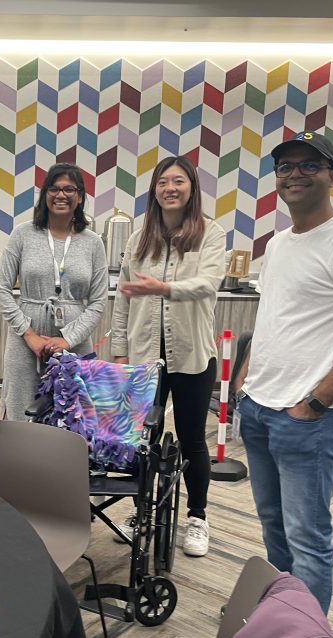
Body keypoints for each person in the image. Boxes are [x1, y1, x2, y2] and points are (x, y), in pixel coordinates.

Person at [234, 131, 333, 613]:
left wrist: (313, 404)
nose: (295, 174)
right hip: (259, 409)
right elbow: (275, 320)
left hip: (308, 419)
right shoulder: (278, 244)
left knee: (308, 538)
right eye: (285, 166)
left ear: (332, 175)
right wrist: (245, 381)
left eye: (309, 165)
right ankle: (281, 615)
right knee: (274, 527)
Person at [109, 156, 225, 557]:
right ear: (154, 190)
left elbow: (209, 282)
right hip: (144, 358)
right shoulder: (138, 237)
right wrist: (120, 351)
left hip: (193, 356)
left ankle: (197, 517)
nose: (170, 188)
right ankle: (142, 509)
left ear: (191, 188)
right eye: (162, 182)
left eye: (178, 181)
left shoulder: (211, 233)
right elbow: (123, 299)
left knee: (192, 439)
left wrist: (164, 288)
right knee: (144, 440)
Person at [0, 163, 108, 421]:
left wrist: (68, 339)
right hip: (25, 341)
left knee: (74, 415)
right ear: (45, 194)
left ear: (80, 197)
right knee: (21, 412)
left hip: (74, 342)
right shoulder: (23, 234)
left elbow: (99, 301)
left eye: (69, 189)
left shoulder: (93, 242)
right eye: (54, 188)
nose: (61, 195)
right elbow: (1, 289)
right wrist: (29, 334)